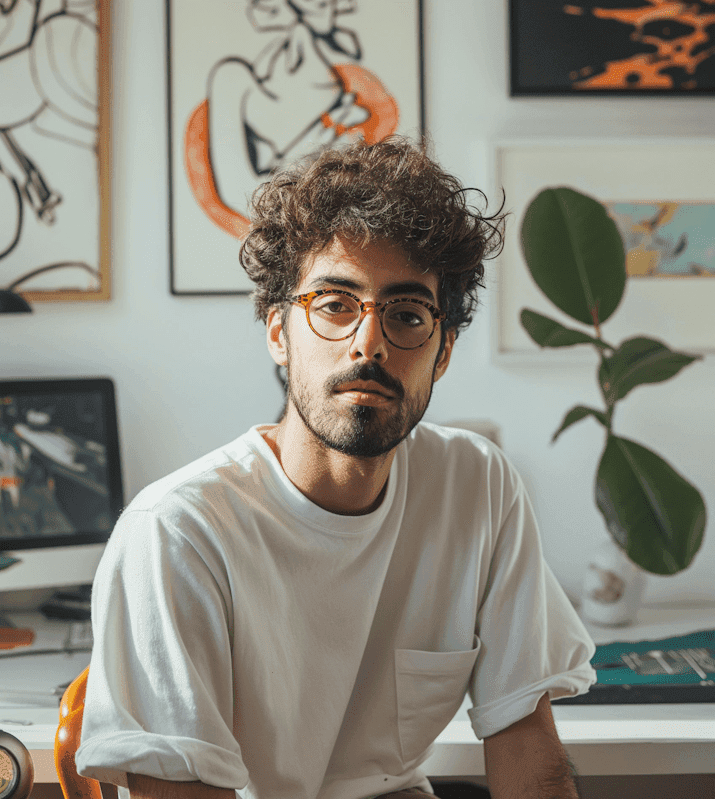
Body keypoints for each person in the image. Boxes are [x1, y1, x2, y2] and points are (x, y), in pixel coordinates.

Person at [76, 137, 597, 799]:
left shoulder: (476, 485)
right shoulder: (179, 532)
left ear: (441, 353)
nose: (368, 341)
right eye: (333, 304)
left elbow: (528, 748)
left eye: (406, 314)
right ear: (277, 334)